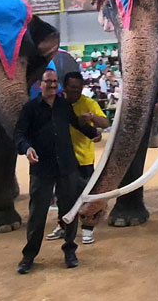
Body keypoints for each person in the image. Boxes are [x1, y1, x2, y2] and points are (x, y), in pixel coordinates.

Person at [13, 70, 99, 274]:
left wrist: (93, 133)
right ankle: (29, 256)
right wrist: (27, 148)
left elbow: (75, 123)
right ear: (40, 85)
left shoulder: (63, 106)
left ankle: (70, 251)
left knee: (69, 211)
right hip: (42, 169)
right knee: (37, 214)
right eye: (48, 82)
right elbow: (19, 134)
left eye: (54, 82)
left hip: (67, 167)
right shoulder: (30, 108)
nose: (52, 85)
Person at [46, 72, 110, 245]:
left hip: (84, 160)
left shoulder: (88, 103)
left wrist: (91, 117)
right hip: (63, 160)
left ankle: (88, 229)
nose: (76, 91)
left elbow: (106, 123)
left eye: (79, 88)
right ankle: (63, 226)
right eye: (72, 87)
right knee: (63, 196)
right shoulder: (58, 104)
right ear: (65, 87)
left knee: (88, 196)